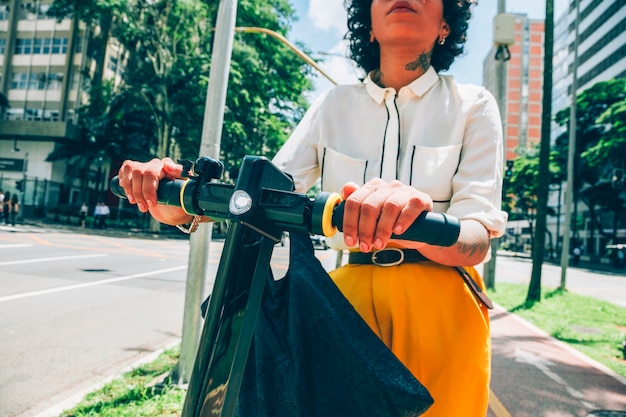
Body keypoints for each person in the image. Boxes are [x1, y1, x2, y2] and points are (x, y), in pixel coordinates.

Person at [117, 1, 507, 415]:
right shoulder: (333, 105)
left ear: (446, 23)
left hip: (445, 306)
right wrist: (171, 201)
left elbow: (476, 237)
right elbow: (263, 196)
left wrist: (418, 222)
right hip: (341, 310)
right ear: (368, 26)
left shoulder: (473, 104)